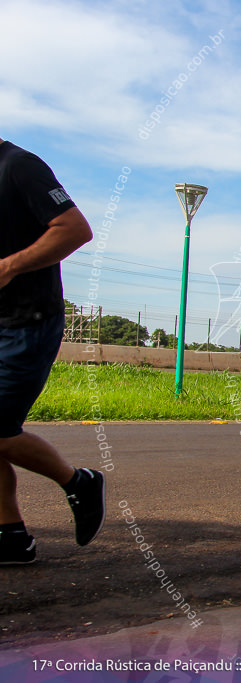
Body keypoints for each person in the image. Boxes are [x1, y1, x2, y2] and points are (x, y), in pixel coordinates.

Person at [0, 137, 103, 565]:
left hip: (26, 322)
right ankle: (10, 536)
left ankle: (78, 481)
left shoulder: (18, 166)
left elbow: (75, 229)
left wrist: (8, 266)